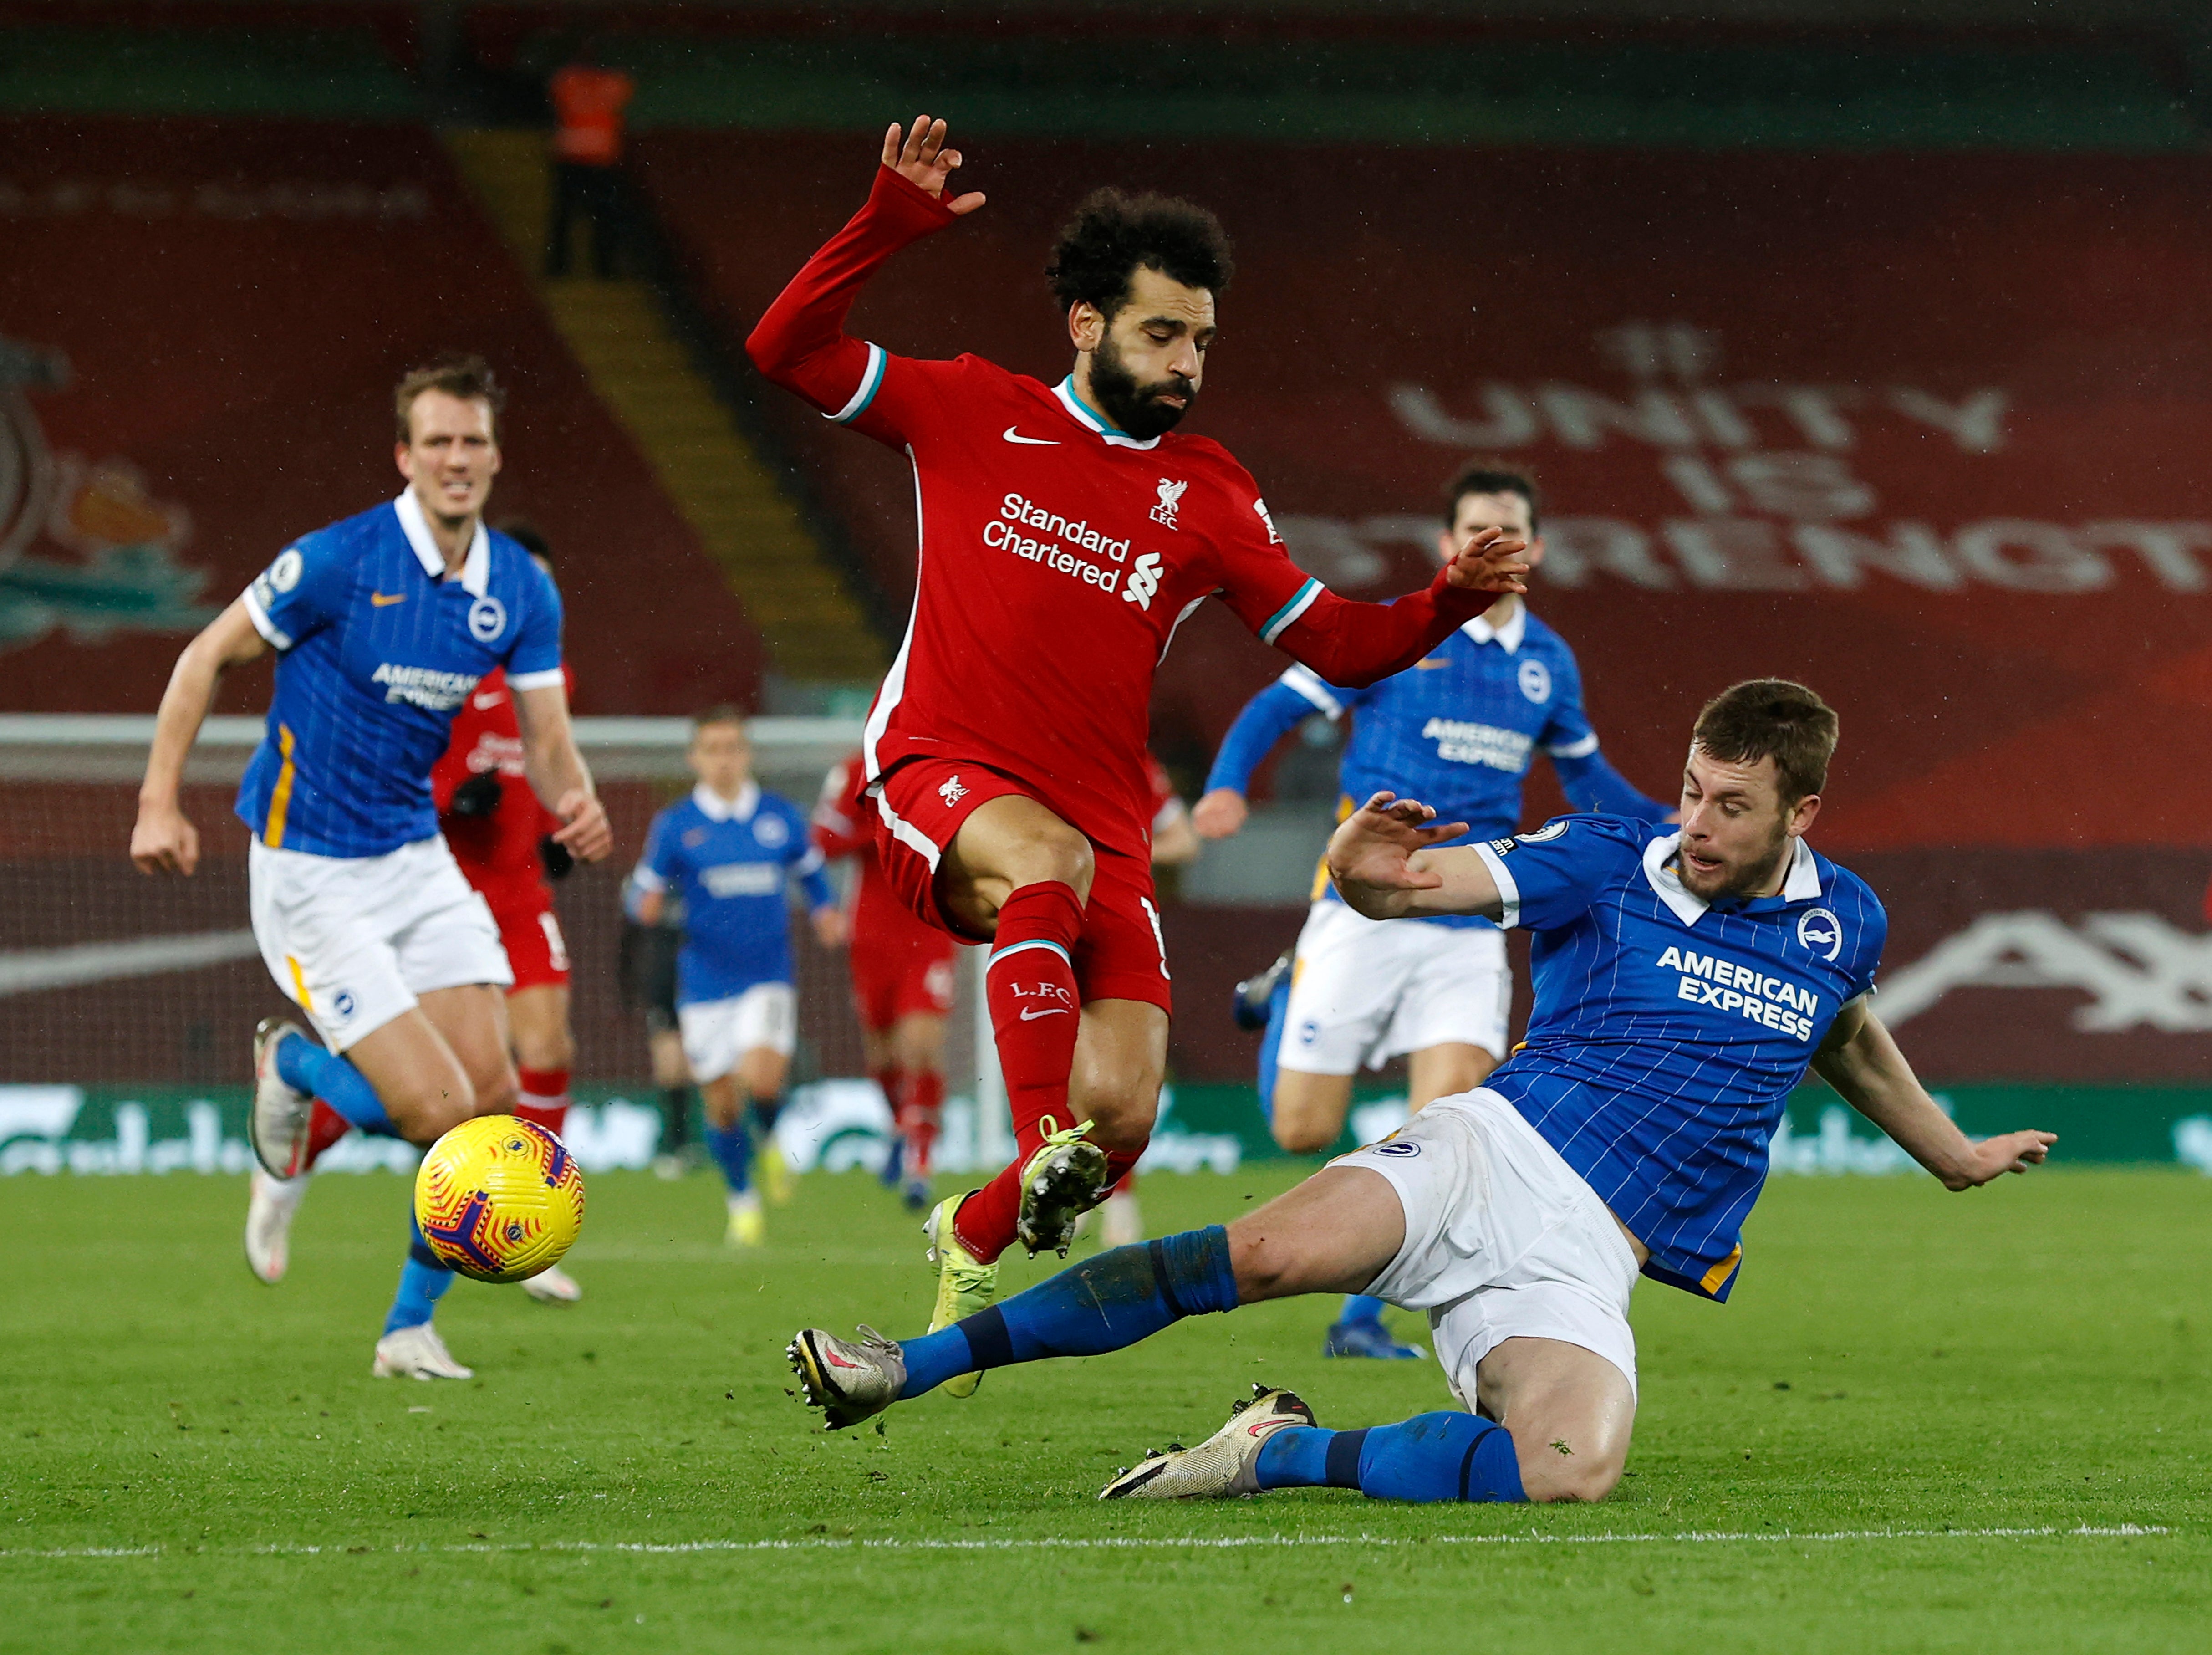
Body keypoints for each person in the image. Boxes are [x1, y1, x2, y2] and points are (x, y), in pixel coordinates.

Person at [788, 680, 2058, 1507]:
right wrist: (1357, 872)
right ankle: (904, 1363)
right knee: (1267, 1251)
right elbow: (1420, 886)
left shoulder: (1847, 920)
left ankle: (1276, 1453)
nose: (1696, 821)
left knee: (1565, 1474)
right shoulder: (1610, 858)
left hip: (1587, 1259)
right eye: (1688, 790)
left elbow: (1842, 1033)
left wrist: (1946, 1151)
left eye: (1731, 805)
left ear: (1803, 810)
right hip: (1491, 1152)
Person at [745, 116, 1530, 1375]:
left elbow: (1333, 639)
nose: (1186, 363)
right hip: (940, 775)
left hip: (1097, 823)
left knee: (1123, 1122)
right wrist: (882, 226)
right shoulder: (967, 410)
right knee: (1045, 900)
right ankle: (1036, 1127)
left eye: (1202, 341)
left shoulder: (1209, 491)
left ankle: (982, 1215)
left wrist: (1442, 595)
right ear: (1086, 325)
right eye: (1163, 333)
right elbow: (783, 348)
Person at [130, 354, 612, 1381]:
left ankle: (407, 1330)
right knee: (434, 1108)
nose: (455, 458)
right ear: (404, 454)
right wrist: (157, 800)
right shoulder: (336, 562)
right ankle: (293, 1065)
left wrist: (577, 802)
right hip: (310, 871)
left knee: (490, 1097)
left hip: (413, 856)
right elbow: (201, 658)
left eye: (472, 440)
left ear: (492, 455)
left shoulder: (520, 588)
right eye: (435, 440)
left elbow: (548, 738)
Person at [1195, 464, 1672, 1360]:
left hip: (1469, 910)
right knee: (1298, 1126)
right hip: (1362, 906)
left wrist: (1670, 822)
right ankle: (1282, 995)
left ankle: (1358, 1319)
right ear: (1445, 547)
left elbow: (1583, 780)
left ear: (1534, 551)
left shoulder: (1547, 662)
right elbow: (1275, 706)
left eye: (1510, 532)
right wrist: (1226, 787)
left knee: (1445, 1131)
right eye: (1476, 531)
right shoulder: (1399, 634)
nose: (1493, 544)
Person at [240, 522, 591, 1308]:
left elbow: (545, 758)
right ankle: (293, 1158)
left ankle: (516, 1218)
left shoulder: (546, 674)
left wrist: (553, 831)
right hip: (418, 885)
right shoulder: (440, 664)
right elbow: (385, 775)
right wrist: (451, 803)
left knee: (540, 1048)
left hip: (514, 889)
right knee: (427, 1101)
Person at [632, 709, 845, 1246]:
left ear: (746, 754)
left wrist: (825, 911)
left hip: (767, 973)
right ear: (695, 758)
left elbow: (811, 872)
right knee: (722, 1103)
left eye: (732, 747)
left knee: (764, 1077)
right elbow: (645, 890)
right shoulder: (677, 824)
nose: (724, 759)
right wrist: (647, 905)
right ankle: (742, 1201)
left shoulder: (778, 816)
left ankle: (770, 1133)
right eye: (713, 749)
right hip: (704, 979)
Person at [814, 750, 959, 1213]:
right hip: (872, 933)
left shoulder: (949, 766)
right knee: (881, 1052)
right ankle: (901, 1127)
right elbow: (823, 839)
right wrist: (878, 832)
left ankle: (920, 1162)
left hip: (928, 927)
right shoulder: (855, 770)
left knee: (921, 1045)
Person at [618, 866, 697, 1179]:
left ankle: (721, 1144)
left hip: (702, 989)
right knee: (671, 1069)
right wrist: (628, 996)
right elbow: (629, 942)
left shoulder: (699, 878)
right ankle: (679, 1146)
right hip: (663, 991)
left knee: (708, 1067)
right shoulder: (642, 885)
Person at [544, 48, 636, 279]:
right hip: (583, 156)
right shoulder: (608, 82)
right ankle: (571, 267)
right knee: (575, 216)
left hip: (587, 155)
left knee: (588, 216)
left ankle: (579, 267)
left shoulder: (569, 80)